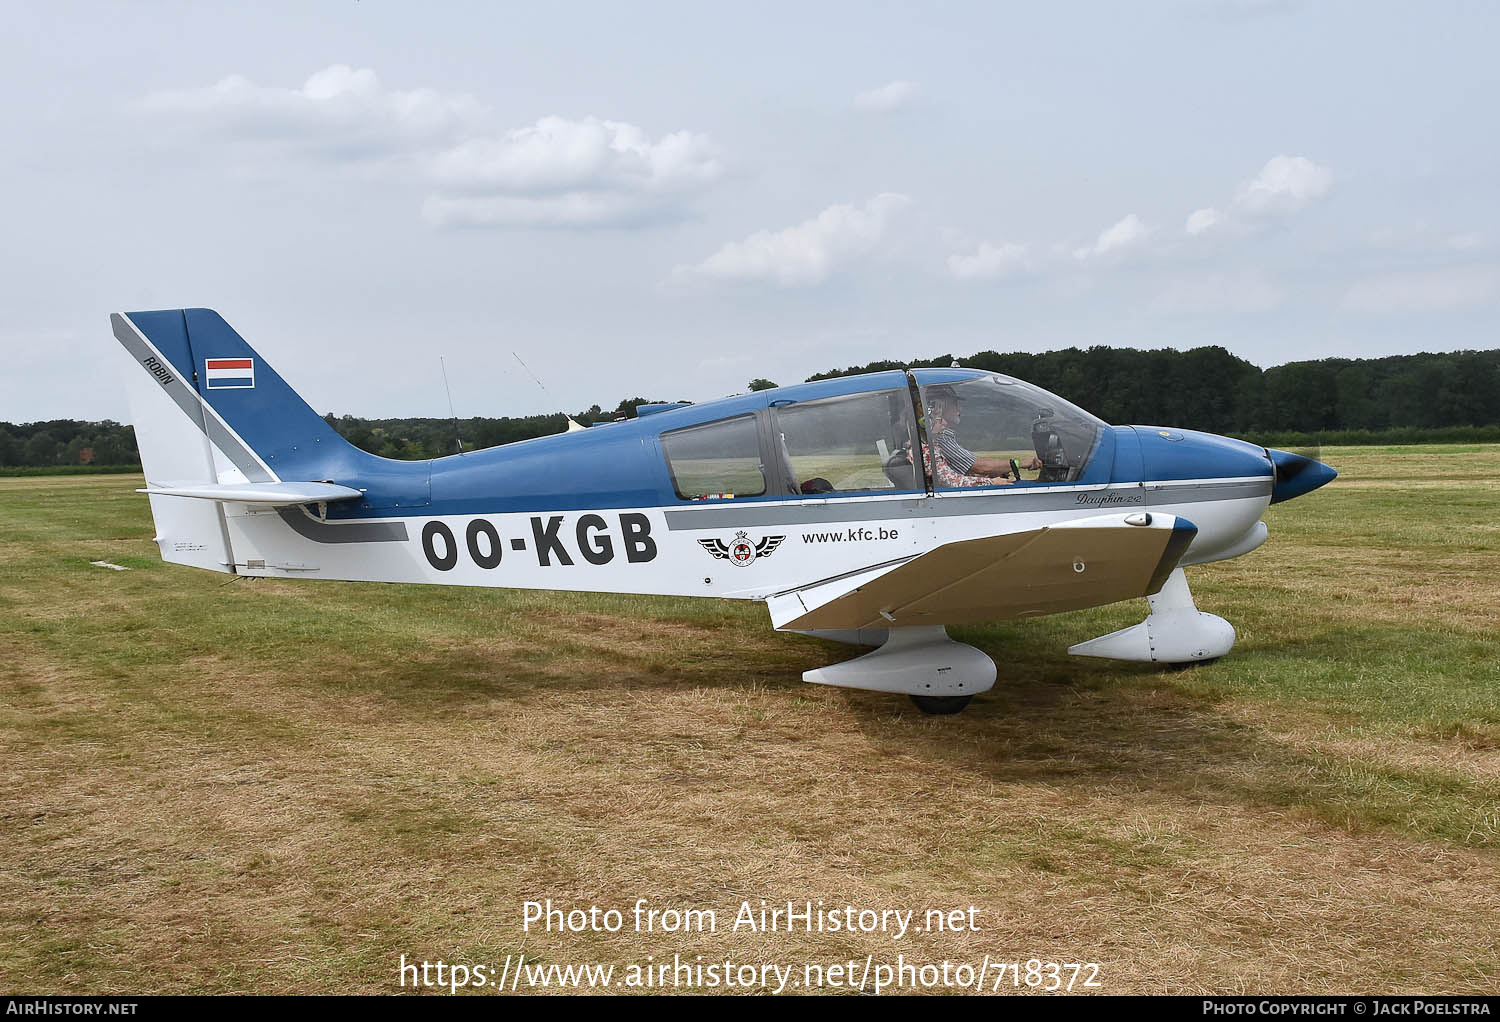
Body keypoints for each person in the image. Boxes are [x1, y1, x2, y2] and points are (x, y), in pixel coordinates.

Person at [924, 385, 1041, 487]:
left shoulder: (934, 440)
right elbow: (975, 469)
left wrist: (986, 476)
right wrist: (1018, 463)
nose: (960, 409)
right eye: (955, 404)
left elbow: (953, 474)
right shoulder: (937, 439)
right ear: (940, 407)